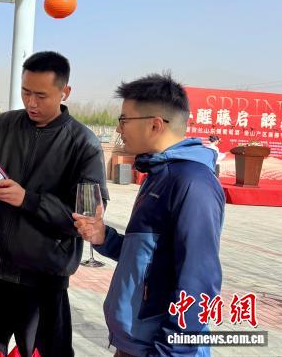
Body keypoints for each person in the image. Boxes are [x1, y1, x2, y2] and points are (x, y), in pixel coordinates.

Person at [0, 51, 108, 357]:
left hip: (43, 279)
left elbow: (87, 220)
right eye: (25, 92)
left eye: (41, 95)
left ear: (65, 92)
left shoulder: (83, 144)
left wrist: (29, 200)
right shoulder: (1, 126)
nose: (31, 103)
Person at [73, 73, 225, 357]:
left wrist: (170, 352)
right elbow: (149, 258)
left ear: (155, 124)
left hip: (158, 348)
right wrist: (105, 238)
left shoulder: (192, 183)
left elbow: (199, 280)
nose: (119, 129)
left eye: (124, 120)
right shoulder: (159, 174)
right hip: (134, 342)